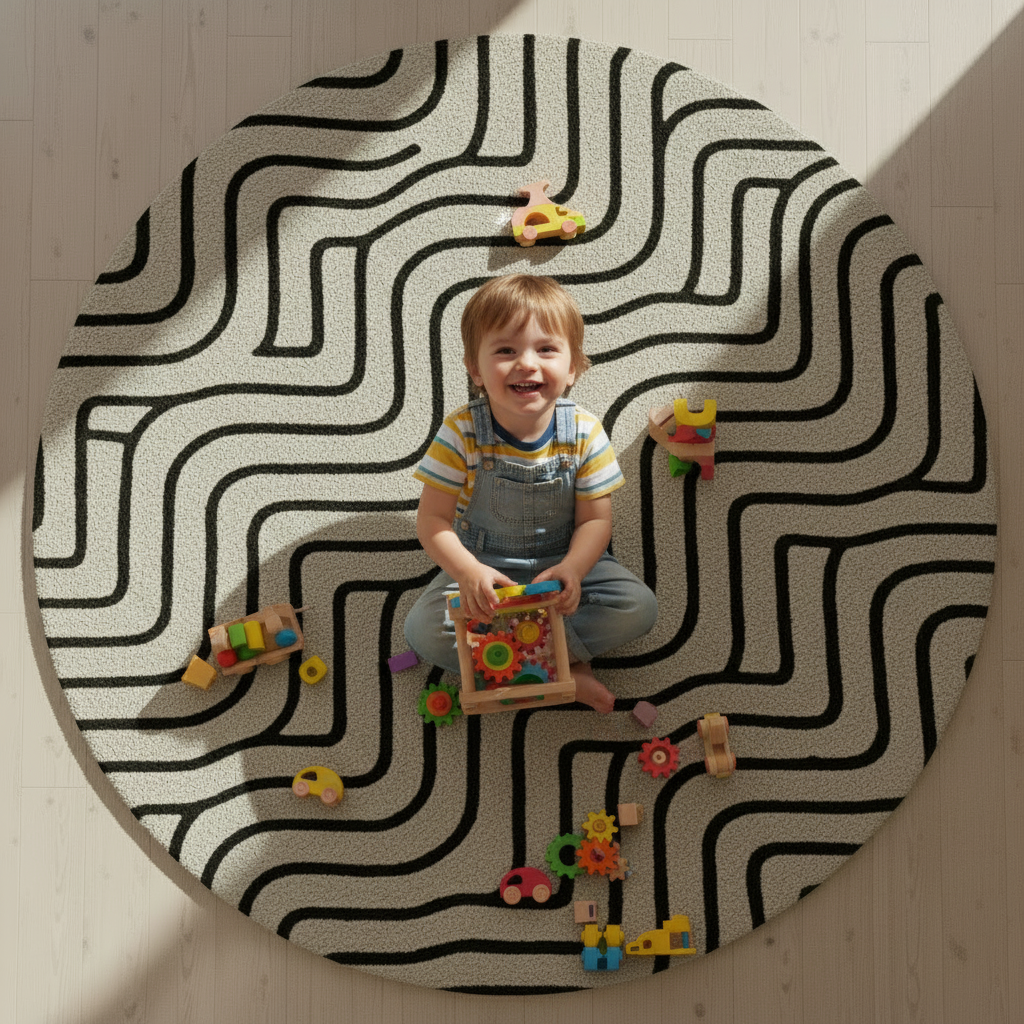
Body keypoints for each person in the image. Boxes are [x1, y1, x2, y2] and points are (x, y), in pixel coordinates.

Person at [403, 274, 657, 713]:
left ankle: (526, 664)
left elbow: (595, 520)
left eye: (546, 349)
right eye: (505, 351)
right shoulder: (460, 433)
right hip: (485, 567)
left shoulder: (585, 432)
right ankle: (562, 673)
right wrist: (467, 573)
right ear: (475, 369)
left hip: (561, 563)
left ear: (574, 366)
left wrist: (573, 570)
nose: (526, 363)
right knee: (422, 631)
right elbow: (432, 521)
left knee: (638, 607)